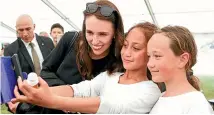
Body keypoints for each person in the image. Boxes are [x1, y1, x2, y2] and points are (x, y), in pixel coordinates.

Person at [12, 22, 161, 114]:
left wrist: (49, 100)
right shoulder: (112, 76)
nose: (127, 53)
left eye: (136, 48)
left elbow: (110, 108)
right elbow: (78, 90)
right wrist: (34, 93)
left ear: (151, 53)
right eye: (126, 45)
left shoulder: (150, 91)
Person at [9, 0, 125, 114]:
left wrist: (67, 102)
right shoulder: (70, 40)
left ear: (115, 33)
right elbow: (46, 70)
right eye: (89, 32)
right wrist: (63, 95)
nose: (94, 41)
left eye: (103, 34)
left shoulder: (121, 62)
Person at [147, 26, 213, 114]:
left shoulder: (197, 105)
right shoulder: (161, 97)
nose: (149, 64)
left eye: (157, 56)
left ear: (183, 59)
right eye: (149, 56)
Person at [4, 14, 55, 113]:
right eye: (20, 30)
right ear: (16, 29)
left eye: (28, 29)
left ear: (34, 27)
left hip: (52, 93)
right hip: (29, 102)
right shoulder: (11, 50)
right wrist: (15, 105)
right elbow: (10, 81)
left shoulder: (48, 42)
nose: (25, 33)